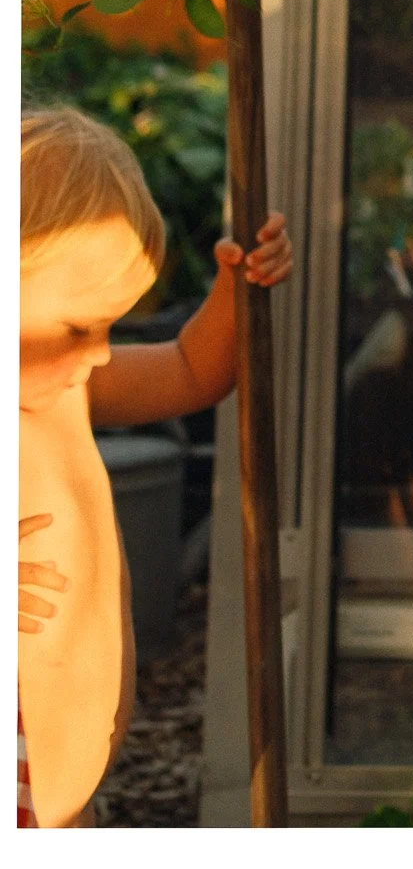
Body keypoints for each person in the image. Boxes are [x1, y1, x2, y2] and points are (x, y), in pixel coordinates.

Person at [18, 107, 292, 828]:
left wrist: (237, 294)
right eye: (81, 326)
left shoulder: (65, 383)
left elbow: (188, 370)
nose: (101, 352)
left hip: (63, 788)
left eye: (110, 326)